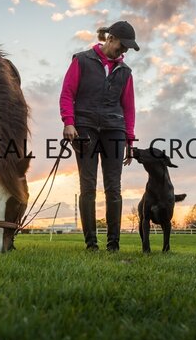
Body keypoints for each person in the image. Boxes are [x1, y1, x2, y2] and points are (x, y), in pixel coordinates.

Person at [59, 20, 139, 252]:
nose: (124, 51)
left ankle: (113, 245)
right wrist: (69, 122)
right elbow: (67, 93)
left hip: (115, 128)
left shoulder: (125, 72)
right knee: (88, 186)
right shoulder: (82, 60)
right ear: (110, 38)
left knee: (114, 187)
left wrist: (129, 140)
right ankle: (91, 244)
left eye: (128, 48)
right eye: (122, 46)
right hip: (85, 128)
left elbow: (129, 108)